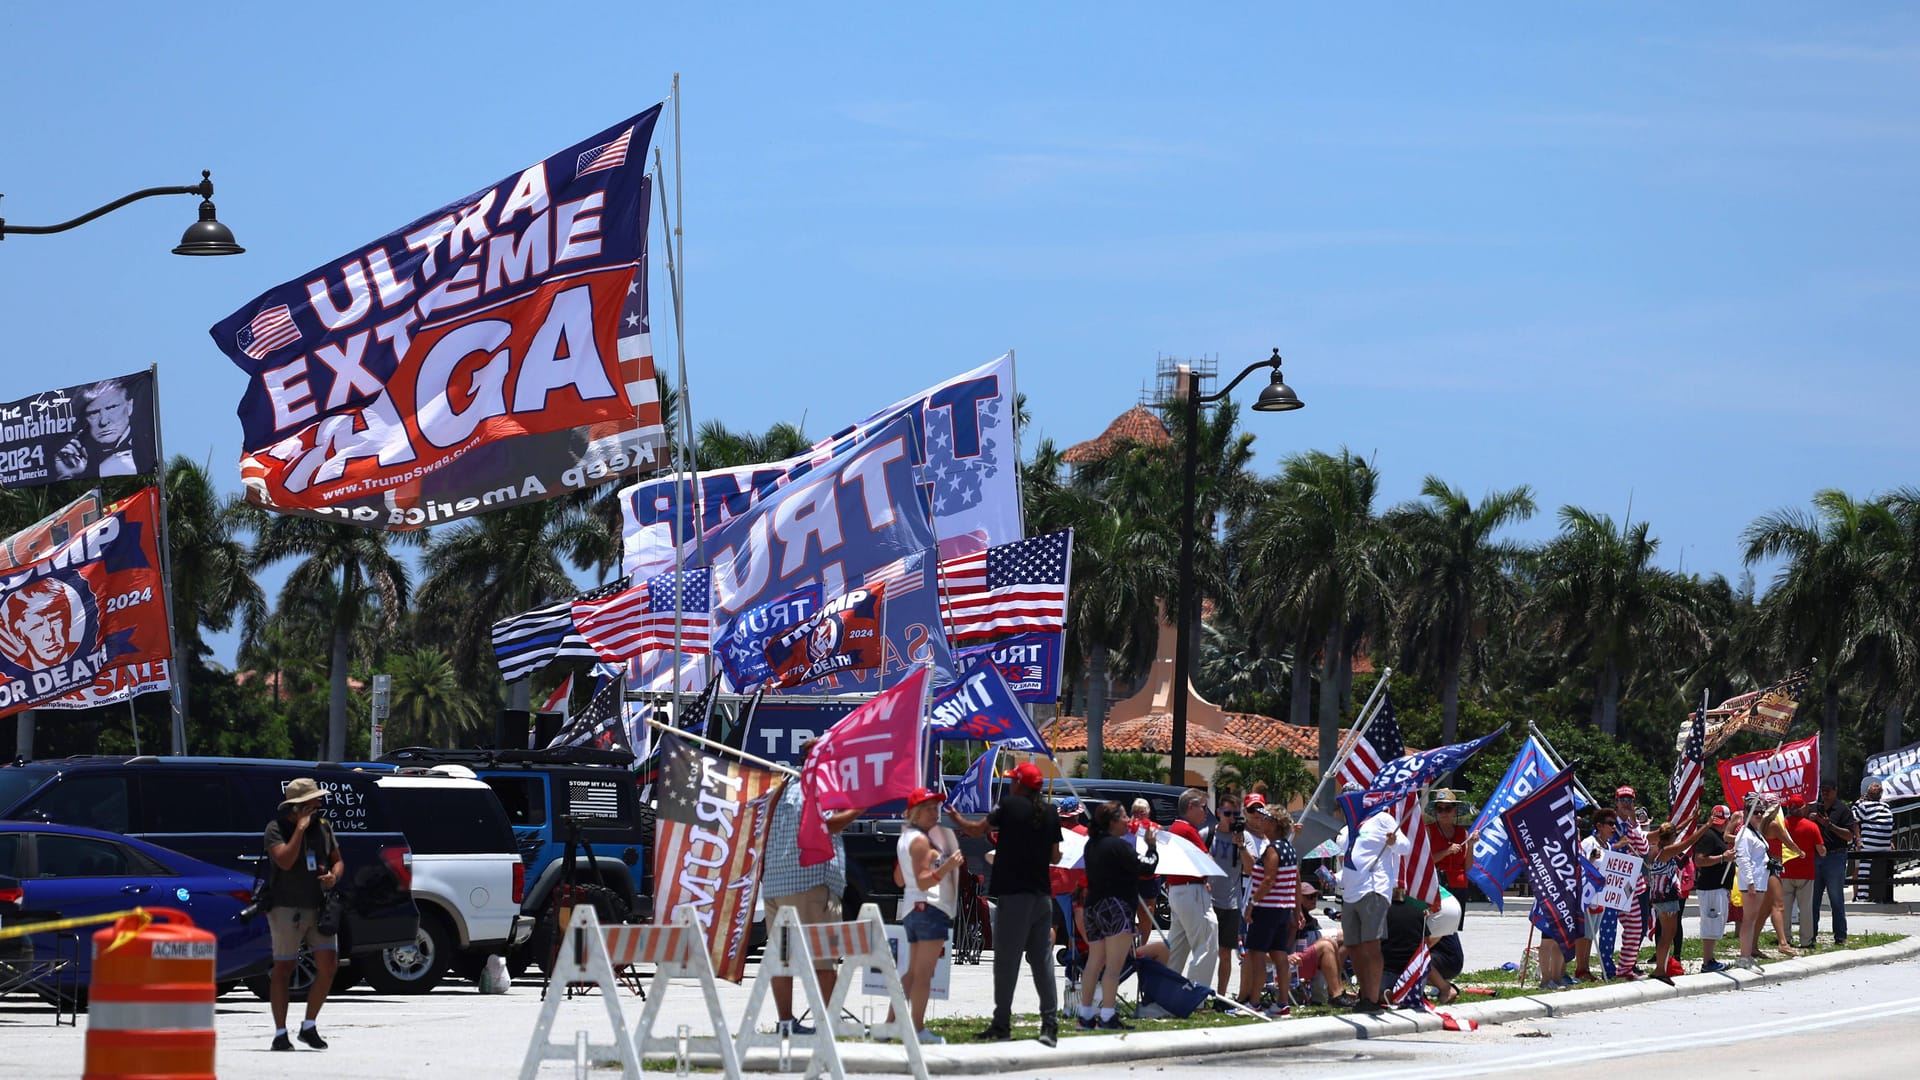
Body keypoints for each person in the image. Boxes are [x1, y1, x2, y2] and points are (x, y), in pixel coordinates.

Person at [951, 761, 1063, 1046]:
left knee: (1006, 962)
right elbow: (1056, 857)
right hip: (1041, 897)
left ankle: (1002, 1024)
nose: (1011, 784)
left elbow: (977, 830)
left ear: (1019, 786)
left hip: (1014, 896)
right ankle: (1049, 1025)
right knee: (1042, 961)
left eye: (1013, 780)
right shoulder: (1050, 813)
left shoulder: (1009, 807)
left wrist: (957, 818)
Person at [762, 739, 860, 1036]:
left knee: (781, 958)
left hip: (776, 883)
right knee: (823, 957)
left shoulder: (781, 785)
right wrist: (859, 807)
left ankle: (785, 1021)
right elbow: (828, 825)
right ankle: (829, 1022)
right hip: (810, 880)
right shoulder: (820, 786)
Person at [264, 778, 343, 1051]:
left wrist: (334, 875)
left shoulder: (322, 827)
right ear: (297, 806)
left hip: (319, 907)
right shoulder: (276, 828)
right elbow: (284, 860)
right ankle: (280, 1032)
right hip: (286, 907)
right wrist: (299, 830)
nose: (319, 804)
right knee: (284, 968)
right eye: (313, 801)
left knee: (329, 965)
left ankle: (309, 1026)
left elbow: (338, 859)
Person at [1073, 801, 1157, 1030]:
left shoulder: (1091, 845)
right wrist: (1151, 846)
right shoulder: (1119, 847)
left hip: (1093, 906)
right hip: (1116, 907)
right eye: (1123, 817)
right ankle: (1108, 1016)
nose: (1128, 821)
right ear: (1112, 822)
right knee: (1113, 965)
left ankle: (1086, 1015)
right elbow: (1147, 868)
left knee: (1094, 961)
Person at [890, 788, 963, 1044]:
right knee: (923, 974)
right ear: (916, 813)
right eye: (929, 809)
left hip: (913, 909)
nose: (936, 813)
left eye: (936, 808)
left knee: (911, 972)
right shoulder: (920, 840)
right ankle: (917, 1029)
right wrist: (947, 867)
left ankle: (892, 1024)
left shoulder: (906, 838)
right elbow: (922, 882)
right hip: (929, 908)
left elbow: (899, 879)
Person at [1340, 801, 1412, 1011]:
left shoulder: (1381, 818)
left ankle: (1372, 998)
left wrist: (1393, 841)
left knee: (1372, 944)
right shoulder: (1349, 828)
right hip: (1351, 892)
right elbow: (1349, 859)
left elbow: (1405, 847)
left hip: (1374, 888)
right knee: (1352, 945)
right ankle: (1365, 993)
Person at [1238, 795, 1297, 1017]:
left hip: (1267, 908)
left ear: (1273, 824)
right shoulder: (1288, 848)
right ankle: (1282, 1002)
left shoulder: (1273, 849)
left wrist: (1252, 903)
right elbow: (1258, 872)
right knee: (1280, 955)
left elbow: (1268, 879)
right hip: (1282, 909)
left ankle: (1254, 1003)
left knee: (1256, 954)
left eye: (1264, 819)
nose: (1260, 822)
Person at [1163, 789, 1218, 988]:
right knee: (1207, 944)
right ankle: (1197, 995)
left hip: (1179, 890)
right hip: (1191, 890)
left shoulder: (1176, 828)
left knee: (1177, 947)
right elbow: (1207, 860)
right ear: (1190, 807)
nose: (1206, 812)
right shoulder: (1186, 829)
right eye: (1203, 807)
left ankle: (1165, 991)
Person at [1644, 819, 1709, 985]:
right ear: (1671, 837)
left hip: (1658, 896)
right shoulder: (1666, 852)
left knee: (1666, 934)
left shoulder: (1654, 849)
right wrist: (1706, 825)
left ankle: (1661, 967)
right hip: (1667, 897)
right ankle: (1660, 970)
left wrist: (1691, 818)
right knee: (1668, 935)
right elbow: (1689, 841)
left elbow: (1677, 830)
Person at [52, 378, 147, 480]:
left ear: (129, 406)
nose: (103, 421)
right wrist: (68, 474)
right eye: (93, 413)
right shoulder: (76, 460)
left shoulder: (147, 449)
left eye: (112, 407)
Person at [1205, 793, 1245, 1001]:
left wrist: (1242, 846)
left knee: (1225, 952)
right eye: (1227, 813)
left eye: (1235, 814)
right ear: (1219, 812)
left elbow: (1251, 867)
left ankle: (1221, 996)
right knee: (1205, 951)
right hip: (1209, 901)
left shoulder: (1241, 837)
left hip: (1231, 903)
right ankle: (1201, 992)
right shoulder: (1208, 834)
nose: (1231, 818)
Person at [1692, 804, 1737, 972]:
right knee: (1710, 923)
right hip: (1711, 887)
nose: (1721, 824)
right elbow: (1700, 860)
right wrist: (1722, 858)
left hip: (1718, 887)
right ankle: (1707, 961)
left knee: (1715, 922)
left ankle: (1710, 958)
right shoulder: (1709, 836)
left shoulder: (1717, 836)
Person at [1809, 782, 1855, 945]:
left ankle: (1840, 936)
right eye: (1822, 791)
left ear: (1835, 791)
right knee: (1812, 900)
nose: (1825, 794)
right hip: (1816, 857)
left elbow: (1849, 836)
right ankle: (1810, 936)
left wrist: (1829, 825)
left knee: (1836, 899)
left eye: (1828, 791)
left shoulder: (1843, 810)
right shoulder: (1815, 809)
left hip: (1835, 857)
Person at [1780, 797, 1826, 948]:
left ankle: (1785, 938)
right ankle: (1806, 941)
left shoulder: (1781, 826)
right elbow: (1822, 851)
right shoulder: (1811, 826)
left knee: (1784, 908)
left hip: (1785, 872)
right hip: (1805, 873)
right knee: (1805, 908)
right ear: (1802, 808)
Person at [1734, 798, 1773, 969]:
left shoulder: (1755, 832)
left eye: (1761, 812)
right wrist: (1750, 882)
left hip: (1760, 880)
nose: (1758, 815)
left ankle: (1747, 954)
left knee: (1752, 918)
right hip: (1752, 881)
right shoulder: (1744, 834)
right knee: (1748, 919)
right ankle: (1744, 955)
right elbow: (1743, 858)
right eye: (1754, 812)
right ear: (1746, 814)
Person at [1425, 789, 1472, 894]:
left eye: (1448, 809)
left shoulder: (1463, 833)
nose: (1443, 813)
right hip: (1436, 886)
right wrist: (1447, 851)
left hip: (1459, 884)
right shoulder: (1428, 831)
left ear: (1454, 811)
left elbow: (1467, 867)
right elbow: (1424, 861)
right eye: (1439, 809)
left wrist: (1471, 844)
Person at [1854, 779, 1894, 902]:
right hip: (1884, 845)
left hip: (1870, 845)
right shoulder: (1886, 806)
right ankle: (1885, 896)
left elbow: (1853, 820)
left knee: (1864, 870)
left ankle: (1862, 896)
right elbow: (1889, 825)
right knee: (1884, 870)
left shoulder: (1863, 806)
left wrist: (1858, 839)